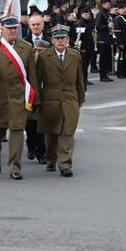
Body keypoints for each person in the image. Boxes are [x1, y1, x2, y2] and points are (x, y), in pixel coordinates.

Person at [0, 14, 37, 180]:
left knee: (17, 131)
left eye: (15, 28)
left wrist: (35, 99)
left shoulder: (26, 47)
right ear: (1, 29)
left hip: (18, 95)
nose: (13, 31)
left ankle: (14, 167)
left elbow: (32, 75)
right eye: (9, 28)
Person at [36, 26, 85, 178]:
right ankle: (51, 158)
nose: (60, 41)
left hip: (70, 98)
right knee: (51, 133)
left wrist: (81, 97)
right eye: (57, 39)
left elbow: (79, 78)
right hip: (50, 99)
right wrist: (37, 100)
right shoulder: (44, 57)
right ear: (52, 40)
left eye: (63, 38)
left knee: (67, 132)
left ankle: (65, 164)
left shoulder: (75, 56)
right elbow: (37, 81)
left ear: (67, 39)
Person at [25, 38, 49, 164]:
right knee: (30, 127)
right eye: (36, 50)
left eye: (41, 51)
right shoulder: (29, 63)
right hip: (30, 99)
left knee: (41, 128)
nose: (37, 53)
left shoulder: (49, 64)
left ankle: (41, 153)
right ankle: (30, 147)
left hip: (45, 99)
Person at [74, 7, 95, 86]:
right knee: (83, 65)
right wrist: (82, 48)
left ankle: (85, 80)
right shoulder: (80, 24)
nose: (87, 16)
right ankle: (82, 80)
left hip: (89, 46)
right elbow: (79, 37)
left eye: (88, 14)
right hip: (84, 47)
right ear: (82, 14)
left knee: (86, 65)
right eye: (86, 14)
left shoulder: (88, 22)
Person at [95, 0, 114, 82]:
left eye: (109, 4)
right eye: (107, 4)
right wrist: (107, 26)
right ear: (103, 5)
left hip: (107, 38)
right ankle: (102, 76)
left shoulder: (107, 14)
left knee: (107, 58)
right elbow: (98, 26)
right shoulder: (100, 14)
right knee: (103, 59)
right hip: (102, 39)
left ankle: (105, 75)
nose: (109, 5)